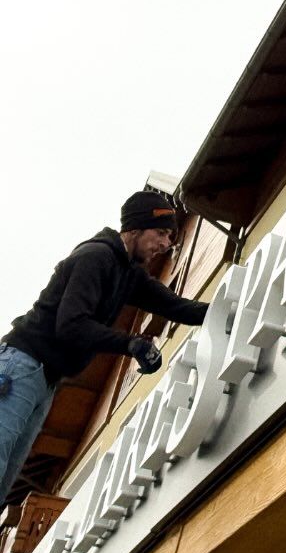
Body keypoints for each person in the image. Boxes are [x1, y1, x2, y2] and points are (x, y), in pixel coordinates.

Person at [0, 190, 209, 505]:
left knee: (4, 481)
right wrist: (131, 344)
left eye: (170, 237)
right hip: (20, 366)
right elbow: (71, 324)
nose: (166, 244)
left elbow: (177, 307)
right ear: (134, 228)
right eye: (161, 233)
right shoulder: (96, 256)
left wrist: (229, 307)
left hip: (44, 380)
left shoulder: (129, 274)